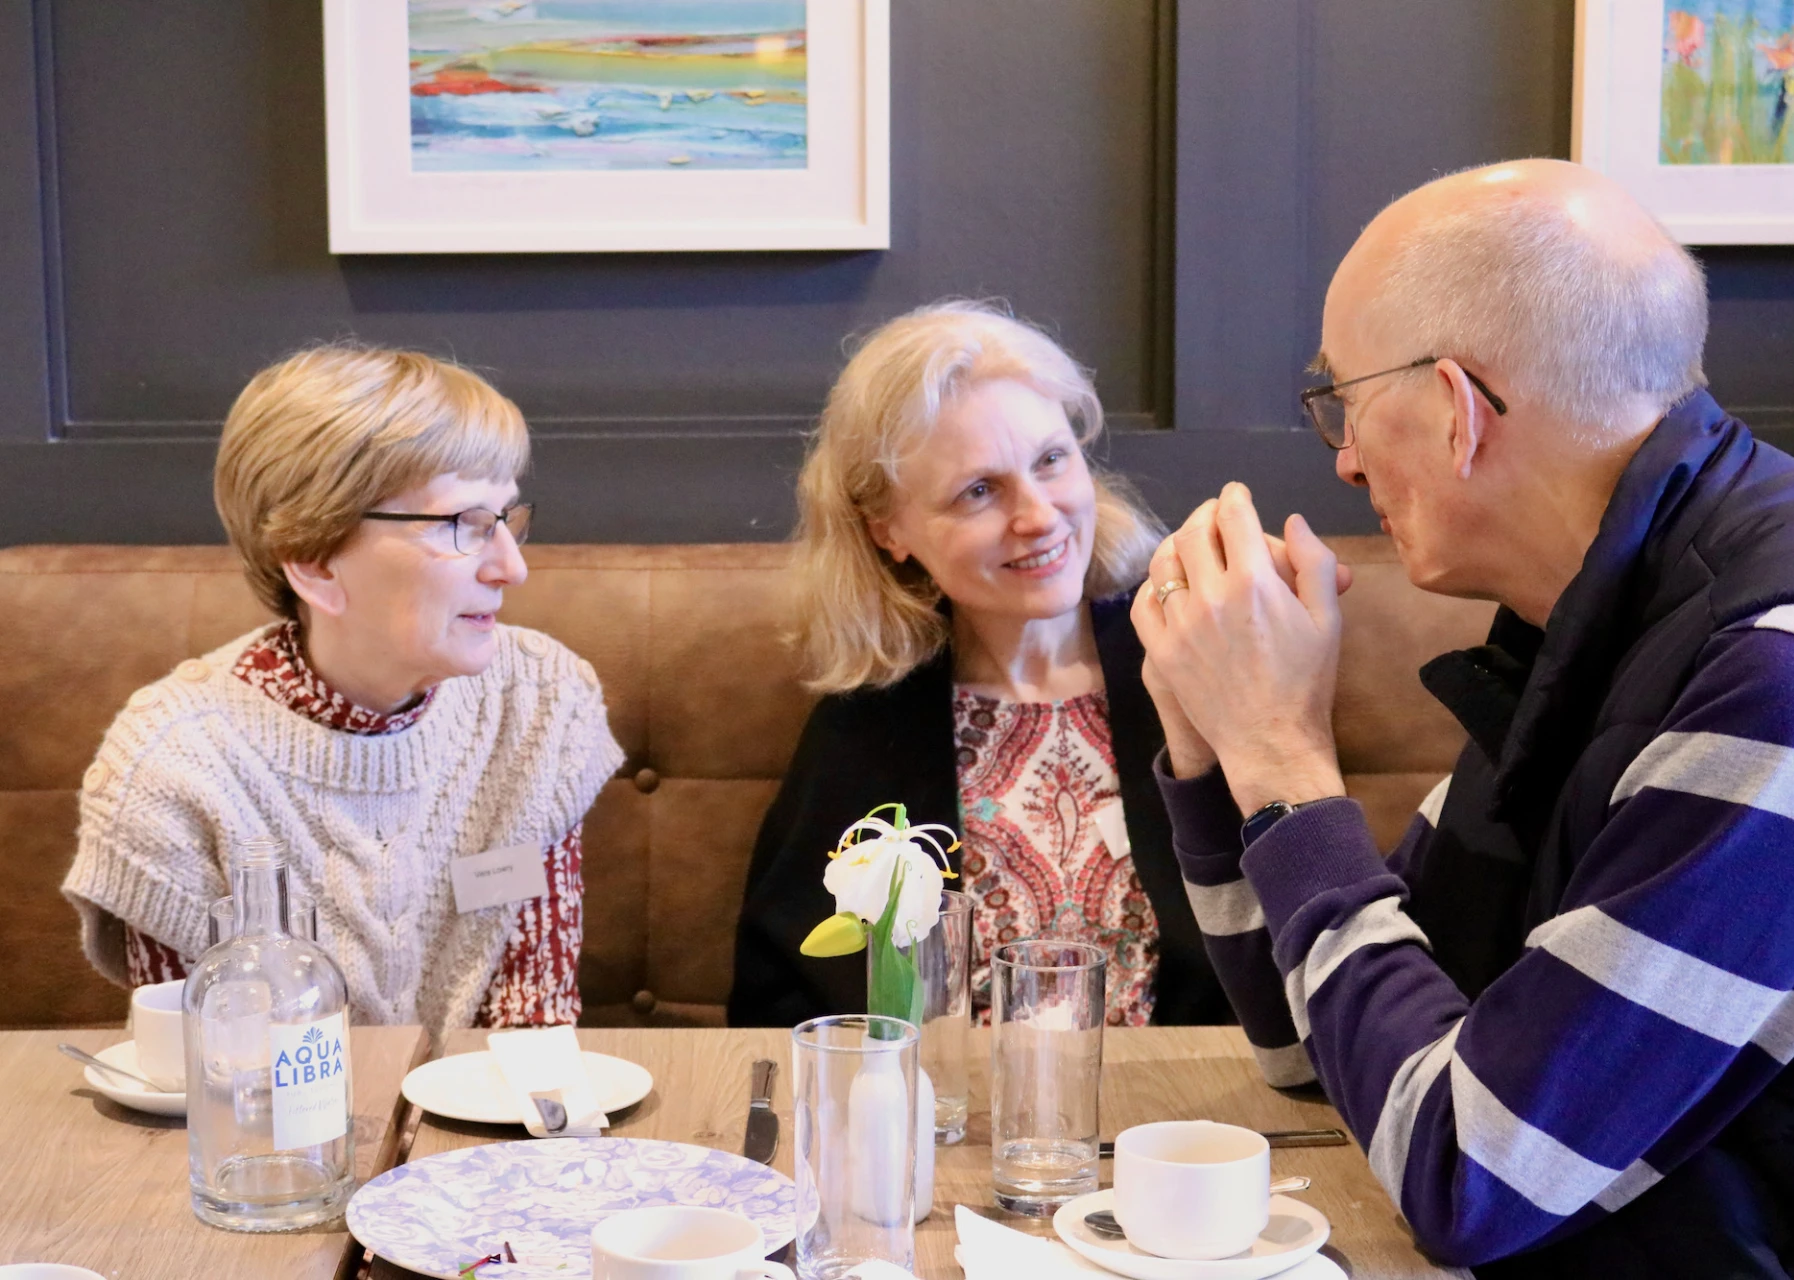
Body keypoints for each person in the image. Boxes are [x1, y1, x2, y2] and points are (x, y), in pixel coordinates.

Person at [1135, 159, 1794, 1275]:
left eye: (1343, 406)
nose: (1348, 459)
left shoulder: (1782, 676)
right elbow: (1316, 1046)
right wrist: (1210, 734)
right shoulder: (1602, 618)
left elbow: (1473, 1173)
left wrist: (1284, 759)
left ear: (1456, 407)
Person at [63, 346, 622, 1036]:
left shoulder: (539, 702)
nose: (512, 566)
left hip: (486, 1130)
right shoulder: (169, 766)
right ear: (315, 560)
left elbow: (533, 1028)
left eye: (508, 518)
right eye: (464, 526)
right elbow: (208, 1071)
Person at [729, 301, 1232, 1030]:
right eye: (978, 491)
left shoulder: (1193, 667)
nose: (1037, 515)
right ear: (889, 530)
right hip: (951, 1127)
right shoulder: (864, 726)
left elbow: (1286, 946)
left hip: (1180, 1125)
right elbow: (783, 998)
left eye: (1051, 461)